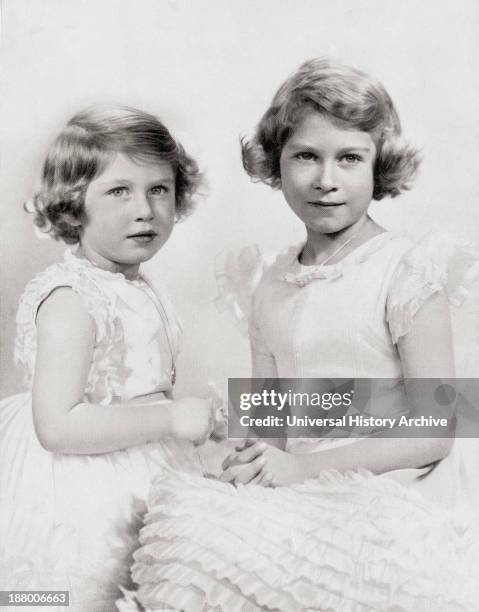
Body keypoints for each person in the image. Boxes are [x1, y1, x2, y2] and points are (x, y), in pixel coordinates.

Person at [125, 59, 479, 611]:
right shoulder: (266, 279)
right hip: (302, 481)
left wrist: (306, 469)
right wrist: (255, 462)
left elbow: (437, 429)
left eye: (350, 158)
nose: (326, 179)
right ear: (276, 163)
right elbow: (271, 422)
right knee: (192, 531)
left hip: (397, 483)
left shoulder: (407, 270)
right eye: (306, 156)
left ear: (378, 165)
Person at [0, 106, 225, 612]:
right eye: (119, 191)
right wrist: (169, 416)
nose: (144, 209)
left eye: (159, 189)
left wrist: (193, 421)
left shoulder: (135, 283)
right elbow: (57, 426)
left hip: (146, 457)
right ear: (74, 204)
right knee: (84, 592)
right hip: (82, 484)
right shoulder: (72, 298)